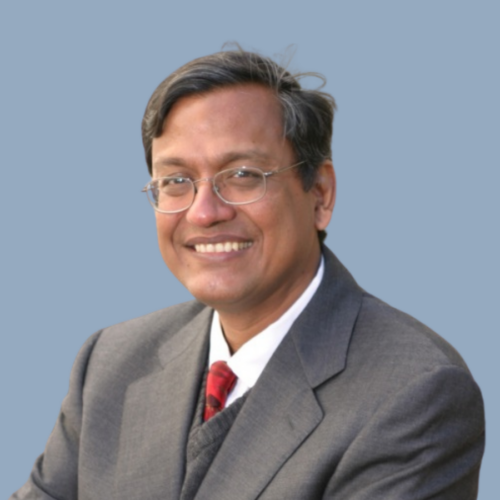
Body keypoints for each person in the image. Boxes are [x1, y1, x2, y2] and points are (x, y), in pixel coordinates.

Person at [12, 49, 485, 500]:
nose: (204, 213)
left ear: (320, 195)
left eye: (242, 175)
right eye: (175, 182)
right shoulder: (111, 363)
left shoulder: (414, 392)